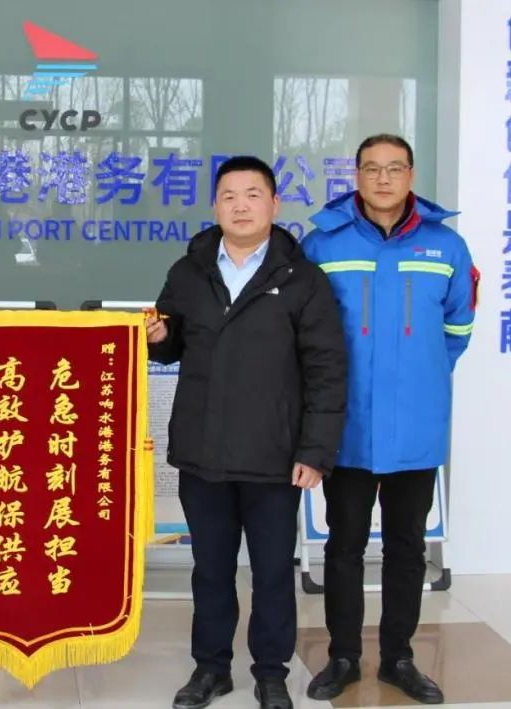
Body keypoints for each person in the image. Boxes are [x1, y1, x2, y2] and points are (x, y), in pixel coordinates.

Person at [146, 156, 347, 709]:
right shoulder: (189, 272)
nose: (240, 206)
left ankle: (271, 672)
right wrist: (158, 337)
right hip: (203, 451)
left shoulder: (303, 279)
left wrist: (315, 450)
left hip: (274, 455)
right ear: (215, 205)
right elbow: (172, 341)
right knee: (210, 571)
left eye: (253, 194)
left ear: (274, 205)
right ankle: (210, 669)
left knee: (272, 573)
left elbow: (327, 368)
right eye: (229, 196)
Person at [303, 134, 476, 705]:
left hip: (416, 427)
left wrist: (419, 375)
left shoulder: (446, 246)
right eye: (372, 168)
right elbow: (304, 330)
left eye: (394, 168)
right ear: (354, 175)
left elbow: (457, 330)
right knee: (344, 546)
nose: (383, 179)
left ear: (411, 174)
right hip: (347, 424)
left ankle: (399, 658)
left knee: (407, 547)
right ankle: (343, 657)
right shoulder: (322, 244)